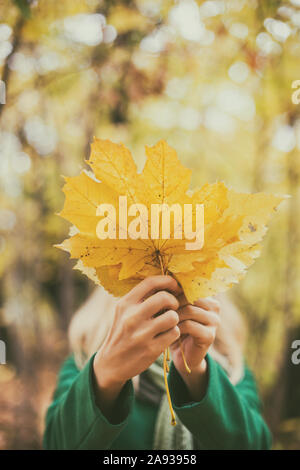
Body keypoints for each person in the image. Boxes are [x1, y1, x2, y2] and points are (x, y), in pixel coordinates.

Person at [43, 275, 272, 450]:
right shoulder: (87, 356)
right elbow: (57, 442)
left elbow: (256, 443)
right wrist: (106, 375)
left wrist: (197, 374)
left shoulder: (229, 363)